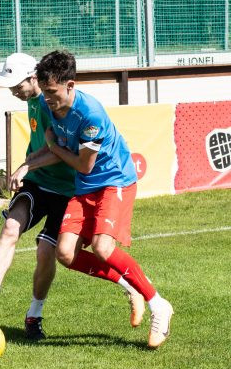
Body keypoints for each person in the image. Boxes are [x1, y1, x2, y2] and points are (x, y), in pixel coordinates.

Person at [0, 52, 145, 340]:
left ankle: (34, 315)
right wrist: (30, 166)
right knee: (11, 226)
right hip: (38, 183)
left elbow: (64, 152)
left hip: (68, 191)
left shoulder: (58, 102)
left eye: (16, 85)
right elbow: (47, 145)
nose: (13, 91)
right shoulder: (39, 102)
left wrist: (26, 164)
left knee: (49, 252)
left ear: (34, 79)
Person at [30, 49, 174, 349]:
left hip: (113, 180)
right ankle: (129, 287)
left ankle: (158, 304)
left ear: (71, 85)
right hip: (85, 187)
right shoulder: (46, 104)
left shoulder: (90, 114)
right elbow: (52, 141)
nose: (48, 98)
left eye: (53, 92)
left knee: (102, 247)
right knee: (65, 253)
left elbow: (84, 164)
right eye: (44, 92)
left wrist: (54, 149)